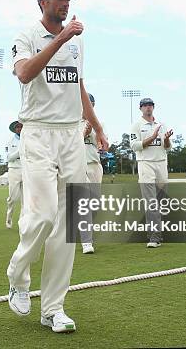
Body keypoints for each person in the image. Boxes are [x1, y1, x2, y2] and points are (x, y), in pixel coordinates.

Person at [6, 0, 108, 333]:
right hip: (37, 132)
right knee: (43, 214)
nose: (66, 4)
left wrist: (96, 125)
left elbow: (78, 85)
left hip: (70, 136)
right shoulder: (27, 35)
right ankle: (18, 275)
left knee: (68, 226)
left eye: (69, 0)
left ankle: (53, 308)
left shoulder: (77, 42)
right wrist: (61, 40)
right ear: (43, 2)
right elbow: (24, 73)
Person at [130, 97, 173, 248]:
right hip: (145, 164)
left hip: (161, 163)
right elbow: (135, 146)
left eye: (150, 105)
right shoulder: (136, 125)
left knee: (161, 202)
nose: (148, 107)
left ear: (153, 107)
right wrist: (152, 137)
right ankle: (154, 237)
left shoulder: (161, 125)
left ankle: (157, 235)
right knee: (151, 202)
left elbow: (167, 148)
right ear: (140, 108)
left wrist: (166, 139)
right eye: (145, 105)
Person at [80, 93, 104, 254]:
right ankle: (86, 242)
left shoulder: (98, 124)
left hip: (95, 165)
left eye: (90, 105)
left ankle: (82, 229)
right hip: (78, 166)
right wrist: (84, 134)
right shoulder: (71, 123)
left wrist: (100, 143)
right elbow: (69, 145)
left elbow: (102, 143)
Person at [5, 121, 23, 229]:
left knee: (26, 199)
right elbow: (9, 158)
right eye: (18, 127)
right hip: (14, 170)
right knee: (12, 197)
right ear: (15, 129)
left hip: (26, 170)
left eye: (21, 127)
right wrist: (19, 152)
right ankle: (9, 218)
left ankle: (22, 222)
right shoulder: (10, 142)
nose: (19, 129)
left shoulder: (29, 140)